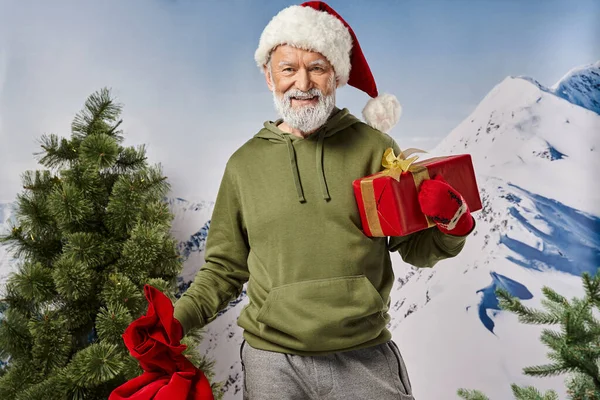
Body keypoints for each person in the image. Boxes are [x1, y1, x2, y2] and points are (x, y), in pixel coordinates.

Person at [173, 2, 476, 399]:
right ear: (269, 77)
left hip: (364, 356)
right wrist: (175, 322)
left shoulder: (376, 150)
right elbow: (225, 268)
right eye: (288, 69)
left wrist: (453, 224)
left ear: (336, 76)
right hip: (271, 362)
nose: (303, 83)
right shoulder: (244, 165)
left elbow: (415, 249)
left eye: (317, 68)